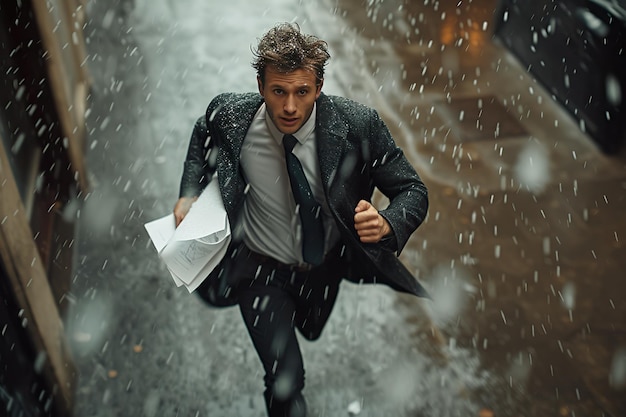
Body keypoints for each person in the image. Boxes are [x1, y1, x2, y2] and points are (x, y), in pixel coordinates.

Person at [173, 22, 429, 417]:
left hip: (319, 270)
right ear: (261, 86)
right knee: (285, 378)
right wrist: (189, 192)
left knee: (306, 331)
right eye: (278, 91)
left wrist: (390, 222)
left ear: (319, 87)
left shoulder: (357, 126)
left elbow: (413, 190)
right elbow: (201, 135)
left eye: (301, 92)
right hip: (256, 270)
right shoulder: (232, 117)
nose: (290, 107)